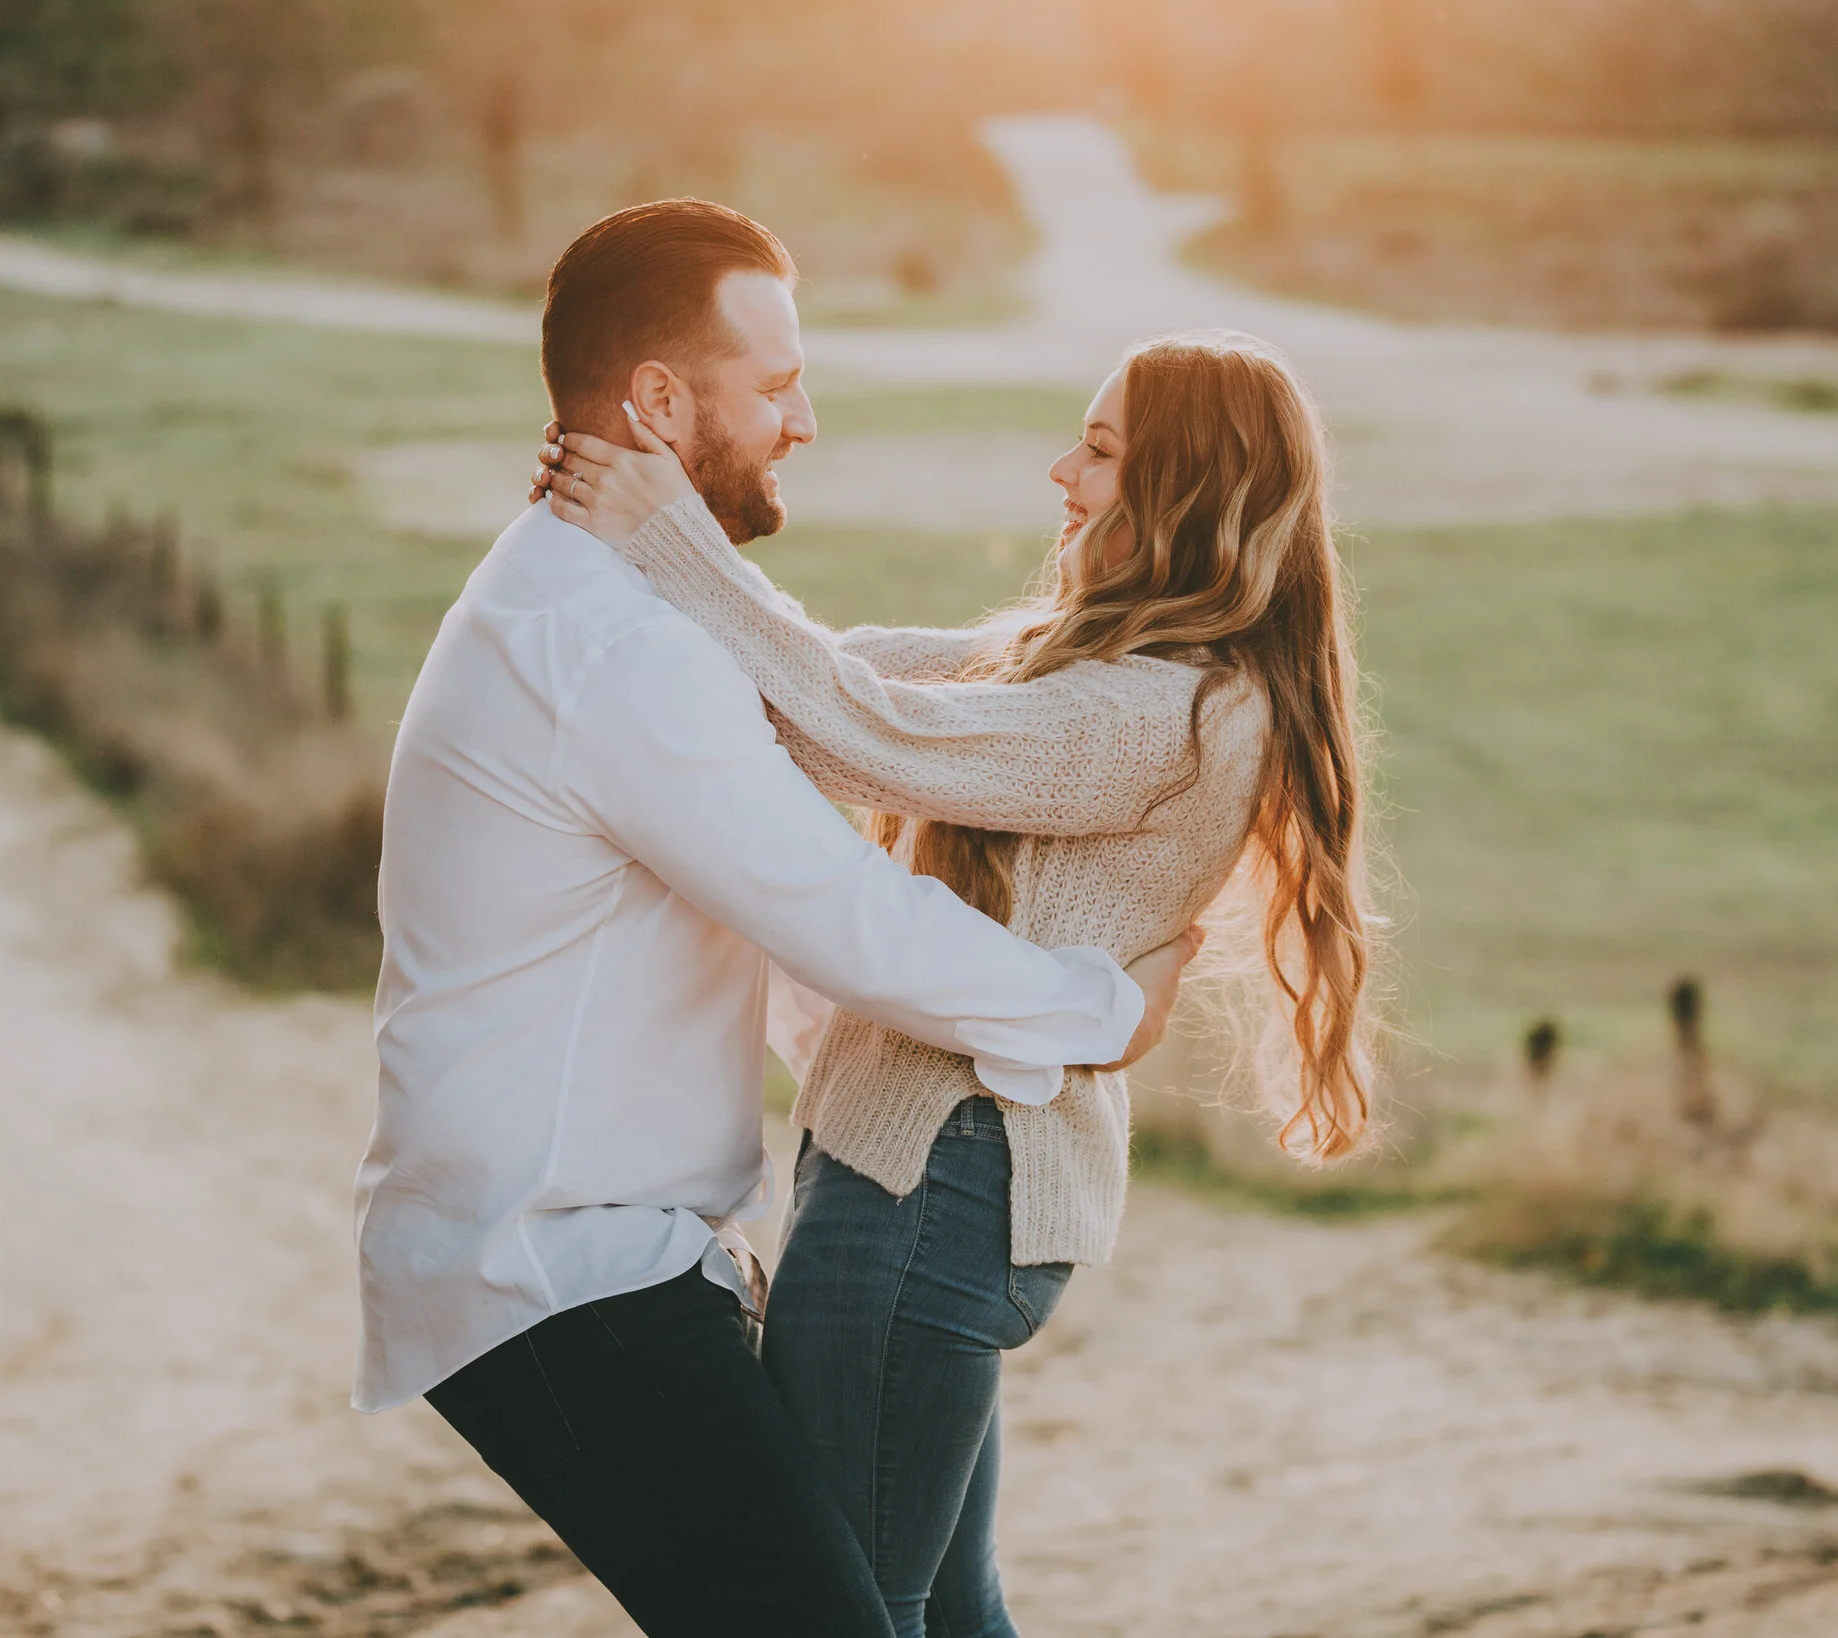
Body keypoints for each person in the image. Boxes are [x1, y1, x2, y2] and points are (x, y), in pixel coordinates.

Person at [355, 197, 1204, 1638]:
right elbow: (835, 909)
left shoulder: (614, 602)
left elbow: (772, 896)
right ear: (662, 401)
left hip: (614, 1250)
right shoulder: (604, 643)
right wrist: (1093, 1011)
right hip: (550, 1268)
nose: (805, 418)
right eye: (775, 384)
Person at [537, 326, 1379, 1637]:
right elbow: (861, 669)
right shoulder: (1092, 668)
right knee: (942, 1607)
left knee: (843, 1607)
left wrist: (669, 541)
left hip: (939, 1181)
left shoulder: (1168, 713)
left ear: (1187, 490)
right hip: (935, 1179)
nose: (1061, 471)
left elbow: (873, 729)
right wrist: (707, 603)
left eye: (1098, 453)